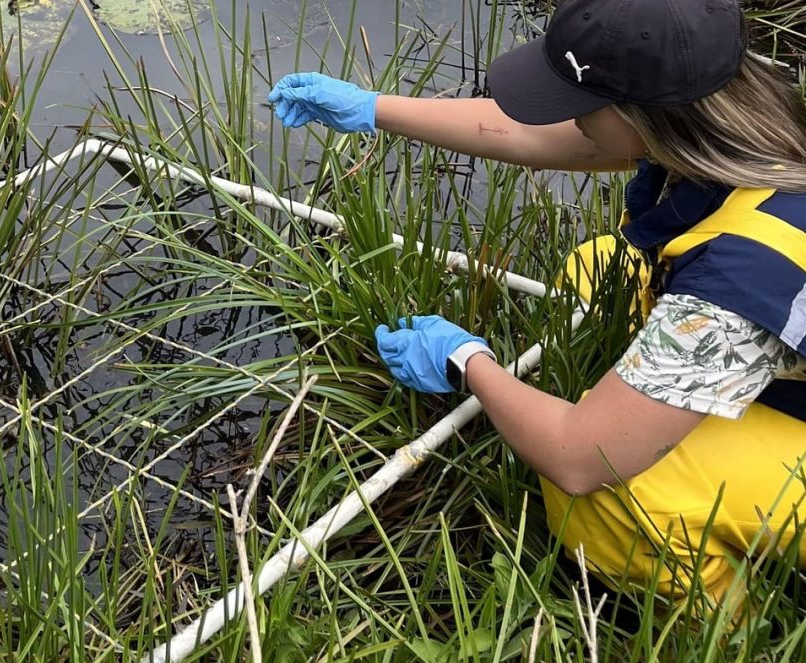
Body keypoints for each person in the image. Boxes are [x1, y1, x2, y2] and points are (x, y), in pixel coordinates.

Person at [268, 0, 806, 607]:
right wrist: (371, 107)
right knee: (594, 270)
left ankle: (730, 638)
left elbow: (580, 455)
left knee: (611, 489)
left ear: (644, 120)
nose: (572, 123)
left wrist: (467, 361)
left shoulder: (746, 272)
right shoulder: (742, 110)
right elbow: (532, 134)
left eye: (581, 108)